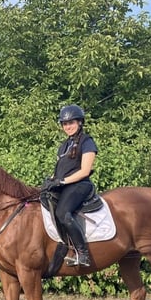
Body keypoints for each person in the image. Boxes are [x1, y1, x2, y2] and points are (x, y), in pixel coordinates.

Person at [41, 104, 97, 267]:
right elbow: (59, 170)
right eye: (65, 124)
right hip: (64, 186)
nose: (68, 126)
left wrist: (63, 181)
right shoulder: (64, 145)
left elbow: (85, 171)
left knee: (63, 212)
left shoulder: (87, 142)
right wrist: (50, 180)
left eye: (71, 122)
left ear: (80, 122)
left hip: (80, 185)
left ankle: (83, 254)